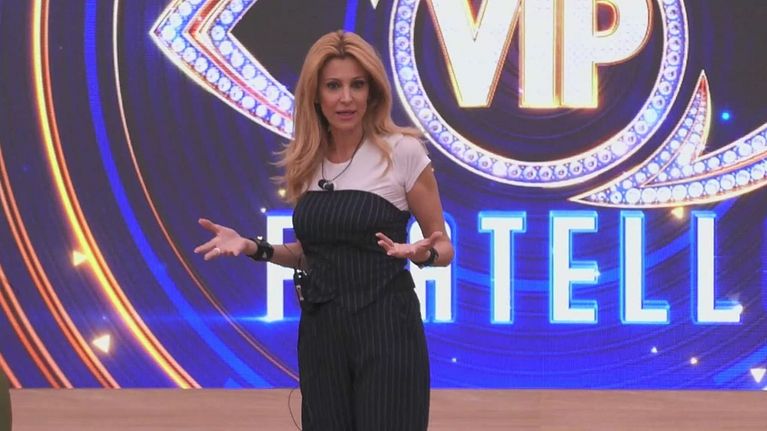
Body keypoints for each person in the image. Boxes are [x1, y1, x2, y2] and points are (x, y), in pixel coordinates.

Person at [194, 30, 453, 430]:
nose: (346, 98)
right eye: (333, 86)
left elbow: (444, 247)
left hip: (387, 328)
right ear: (315, 95)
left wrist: (421, 252)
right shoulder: (307, 158)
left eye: (357, 85)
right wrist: (252, 246)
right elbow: (311, 253)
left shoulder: (402, 152)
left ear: (372, 92)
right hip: (322, 333)